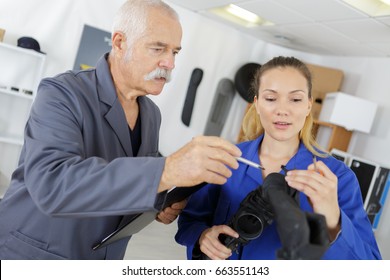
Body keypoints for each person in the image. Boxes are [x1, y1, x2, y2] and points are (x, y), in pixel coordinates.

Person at [0, 0, 241, 260]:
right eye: (158, 48)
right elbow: (53, 184)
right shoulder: (62, 94)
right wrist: (166, 171)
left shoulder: (151, 115)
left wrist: (160, 201)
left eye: (175, 52)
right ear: (119, 42)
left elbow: (126, 184)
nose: (170, 63)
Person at [175, 56, 382, 260]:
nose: (282, 110)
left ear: (309, 105)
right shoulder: (225, 159)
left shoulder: (337, 178)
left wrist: (332, 219)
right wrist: (202, 236)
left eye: (295, 99)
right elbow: (190, 222)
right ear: (256, 103)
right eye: (271, 98)